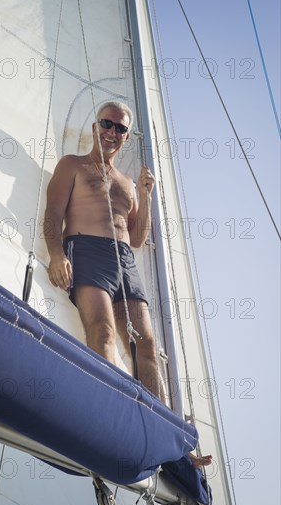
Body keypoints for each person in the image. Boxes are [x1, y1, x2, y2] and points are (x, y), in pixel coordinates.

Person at [43, 101, 212, 468]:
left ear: (126, 137)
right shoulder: (72, 165)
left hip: (124, 259)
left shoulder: (126, 184)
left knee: (146, 344)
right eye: (108, 124)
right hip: (87, 249)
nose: (113, 133)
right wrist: (57, 254)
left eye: (120, 129)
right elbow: (54, 212)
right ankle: (108, 416)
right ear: (95, 126)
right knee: (103, 333)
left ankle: (168, 440)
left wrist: (146, 194)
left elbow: (136, 237)